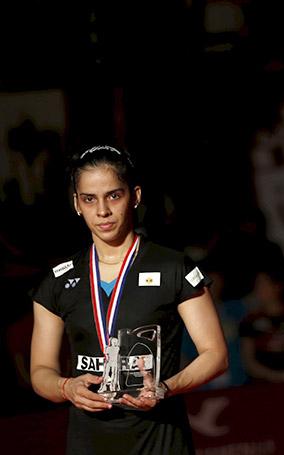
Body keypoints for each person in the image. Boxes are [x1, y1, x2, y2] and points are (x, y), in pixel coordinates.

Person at [30, 145, 228, 454]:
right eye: (89, 199)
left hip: (160, 442)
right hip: (88, 444)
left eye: (113, 195)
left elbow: (215, 354)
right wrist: (65, 387)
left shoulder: (173, 267)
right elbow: (40, 370)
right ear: (76, 204)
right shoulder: (57, 281)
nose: (103, 211)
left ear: (134, 196)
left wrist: (165, 388)